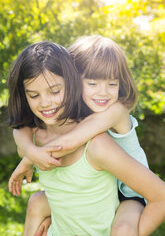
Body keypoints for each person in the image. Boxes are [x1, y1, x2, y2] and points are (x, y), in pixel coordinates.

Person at [8, 39, 165, 236]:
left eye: (112, 84)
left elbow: (71, 141)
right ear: (75, 81)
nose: (103, 91)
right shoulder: (87, 112)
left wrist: (29, 158)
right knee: (37, 202)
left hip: (133, 193)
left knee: (123, 230)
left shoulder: (115, 111)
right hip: (111, 187)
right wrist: (30, 151)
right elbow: (21, 128)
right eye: (92, 83)